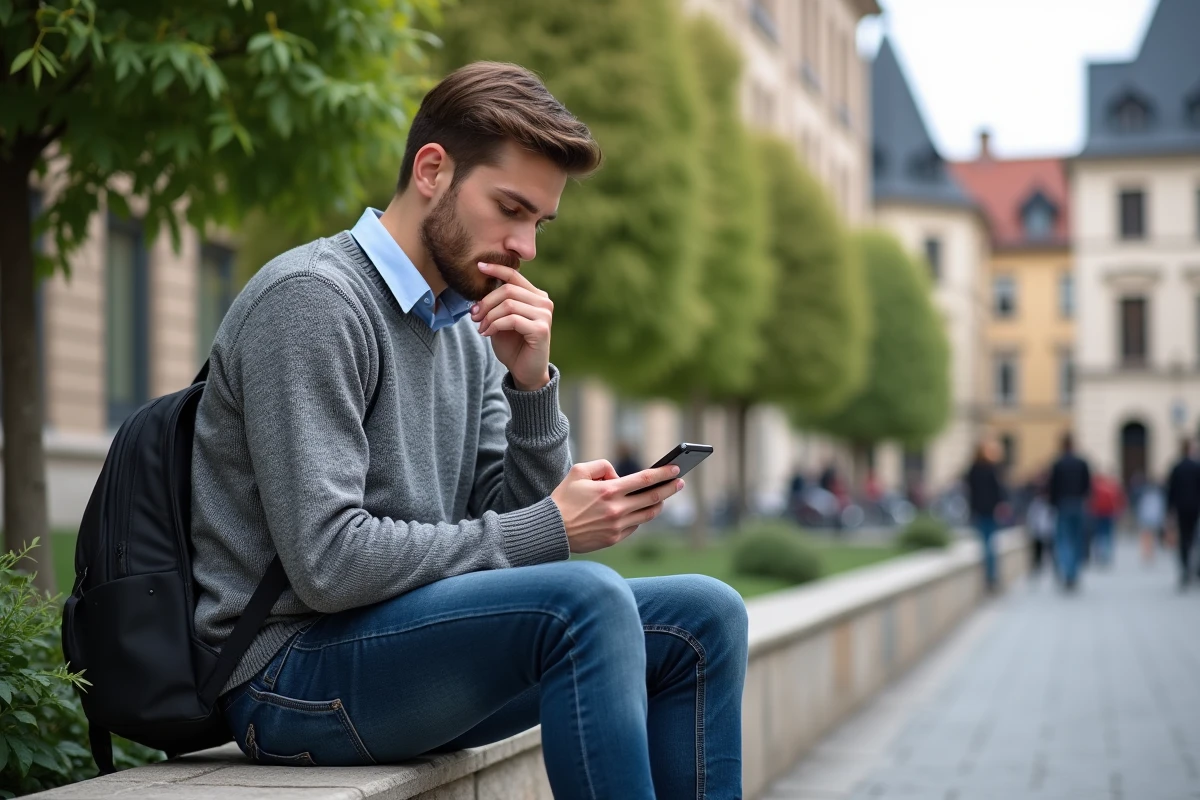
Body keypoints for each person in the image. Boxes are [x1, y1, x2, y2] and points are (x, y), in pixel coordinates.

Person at [189, 62, 748, 798]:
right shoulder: (313, 301)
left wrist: (530, 387)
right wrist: (553, 526)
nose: (527, 248)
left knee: (706, 617)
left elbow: (513, 531)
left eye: (538, 223)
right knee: (588, 601)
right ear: (432, 170)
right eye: (510, 209)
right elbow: (327, 564)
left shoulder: (464, 324)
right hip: (287, 674)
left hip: (400, 644)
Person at [1048, 433, 1091, 591]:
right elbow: (1087, 486)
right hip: (1078, 504)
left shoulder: (1057, 464)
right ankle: (1073, 573)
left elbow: (1052, 487)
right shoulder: (1082, 463)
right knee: (1077, 539)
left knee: (1064, 540)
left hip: (1063, 504)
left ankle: (1067, 571)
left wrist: (1052, 505)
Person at [964, 441, 1005, 591]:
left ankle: (990, 575)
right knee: (990, 544)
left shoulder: (973, 470)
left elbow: (970, 492)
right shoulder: (991, 469)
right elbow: (998, 491)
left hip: (979, 511)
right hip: (990, 511)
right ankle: (991, 575)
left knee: (985, 543)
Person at [1166, 439, 1200, 589]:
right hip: (1196, 507)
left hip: (1181, 507)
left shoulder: (1177, 467)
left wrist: (1169, 509)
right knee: (1195, 538)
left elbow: (1171, 490)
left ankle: (1185, 569)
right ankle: (1196, 569)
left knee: (1184, 539)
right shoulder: (1197, 466)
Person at [1087, 471, 1124, 567]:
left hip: (1098, 514)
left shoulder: (1096, 488)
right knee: (1108, 535)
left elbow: (1090, 501)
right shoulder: (1112, 487)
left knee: (1099, 536)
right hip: (1109, 513)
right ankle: (1107, 555)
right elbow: (1119, 500)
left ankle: (1100, 555)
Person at [1025, 476, 1056, 578]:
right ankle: (1040, 564)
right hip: (1043, 530)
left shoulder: (1038, 503)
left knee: (1044, 548)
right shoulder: (1041, 503)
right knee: (1042, 548)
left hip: (1043, 530)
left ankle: (1042, 564)